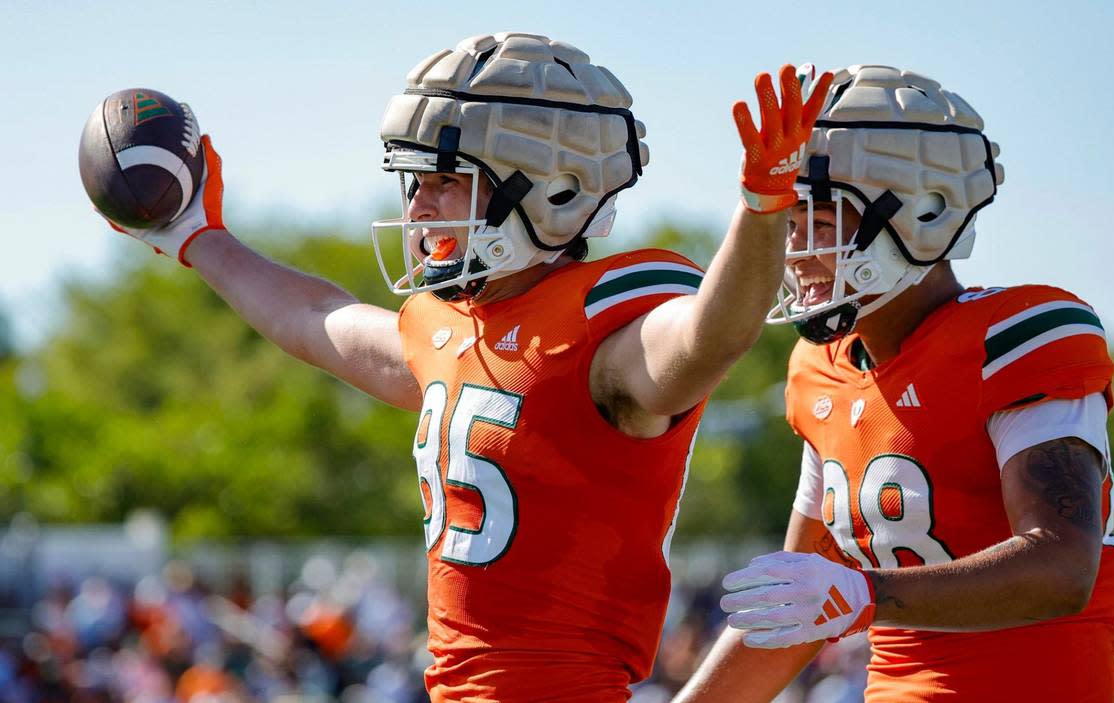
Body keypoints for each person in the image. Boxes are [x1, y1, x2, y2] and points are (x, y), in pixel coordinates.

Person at [101, 33, 832, 701]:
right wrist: (197, 234)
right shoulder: (450, 330)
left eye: (444, 180)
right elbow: (314, 318)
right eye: (414, 182)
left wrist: (761, 210)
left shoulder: (609, 328)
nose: (419, 209)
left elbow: (711, 334)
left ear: (553, 190)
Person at [675, 64, 1114, 702]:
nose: (798, 252)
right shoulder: (818, 370)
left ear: (923, 217)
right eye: (792, 225)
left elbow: (1061, 565)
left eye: (823, 224)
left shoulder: (1015, 337)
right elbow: (796, 609)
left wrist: (864, 593)